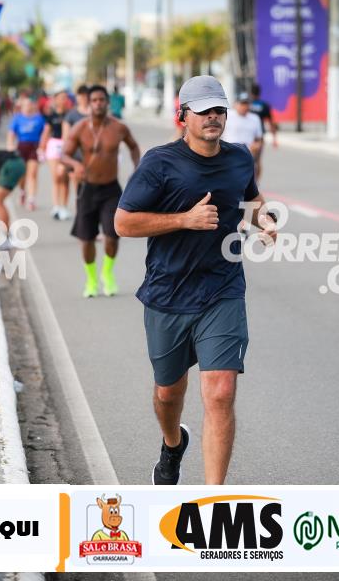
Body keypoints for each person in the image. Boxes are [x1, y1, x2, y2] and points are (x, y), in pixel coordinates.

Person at [114, 75, 277, 485]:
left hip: (223, 290)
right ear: (182, 116)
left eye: (218, 109)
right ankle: (172, 444)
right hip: (167, 293)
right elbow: (123, 223)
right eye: (203, 111)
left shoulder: (239, 158)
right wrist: (184, 220)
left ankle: (212, 500)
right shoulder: (159, 163)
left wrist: (265, 218)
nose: (213, 117)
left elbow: (251, 199)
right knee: (168, 393)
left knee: (220, 393)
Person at [61, 85, 140, 298]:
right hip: (87, 189)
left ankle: (107, 272)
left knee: (112, 235)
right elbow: (64, 154)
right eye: (94, 100)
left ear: (107, 102)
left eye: (101, 100)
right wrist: (75, 165)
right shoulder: (79, 128)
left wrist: (136, 169)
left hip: (111, 189)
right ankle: (91, 279)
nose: (98, 104)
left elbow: (134, 147)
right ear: (89, 103)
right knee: (86, 239)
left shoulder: (118, 128)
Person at [7, 97, 45, 211]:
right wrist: (10, 145)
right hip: (21, 147)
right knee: (22, 174)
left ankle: (31, 199)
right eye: (26, 105)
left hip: (34, 147)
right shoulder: (17, 118)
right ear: (22, 107)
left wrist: (42, 147)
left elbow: (45, 133)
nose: (28, 107)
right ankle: (22, 191)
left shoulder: (39, 119)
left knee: (32, 173)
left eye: (30, 104)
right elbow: (11, 133)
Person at [59, 84, 91, 220]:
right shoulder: (71, 115)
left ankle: (85, 214)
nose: (83, 98)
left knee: (89, 187)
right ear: (77, 97)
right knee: (75, 184)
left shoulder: (95, 113)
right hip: (75, 157)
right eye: (80, 95)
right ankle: (74, 211)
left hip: (92, 157)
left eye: (85, 95)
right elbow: (65, 138)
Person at [39, 90, 70, 220]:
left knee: (65, 177)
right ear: (56, 99)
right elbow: (46, 132)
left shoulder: (70, 115)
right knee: (56, 177)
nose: (63, 100)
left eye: (65, 98)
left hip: (67, 146)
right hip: (54, 146)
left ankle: (64, 206)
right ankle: (56, 206)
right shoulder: (51, 116)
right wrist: (41, 148)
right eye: (61, 98)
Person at [221, 92, 264, 180]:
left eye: (247, 104)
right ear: (236, 104)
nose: (245, 106)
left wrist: (257, 146)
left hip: (248, 154)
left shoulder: (255, 118)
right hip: (229, 153)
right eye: (242, 103)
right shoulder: (227, 115)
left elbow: (259, 139)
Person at [249, 83, 278, 181]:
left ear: (250, 92)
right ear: (260, 93)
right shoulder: (264, 105)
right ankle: (256, 183)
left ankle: (250, 182)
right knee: (257, 161)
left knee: (246, 160)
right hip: (259, 137)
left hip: (247, 135)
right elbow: (271, 122)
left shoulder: (247, 104)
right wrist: (274, 139)